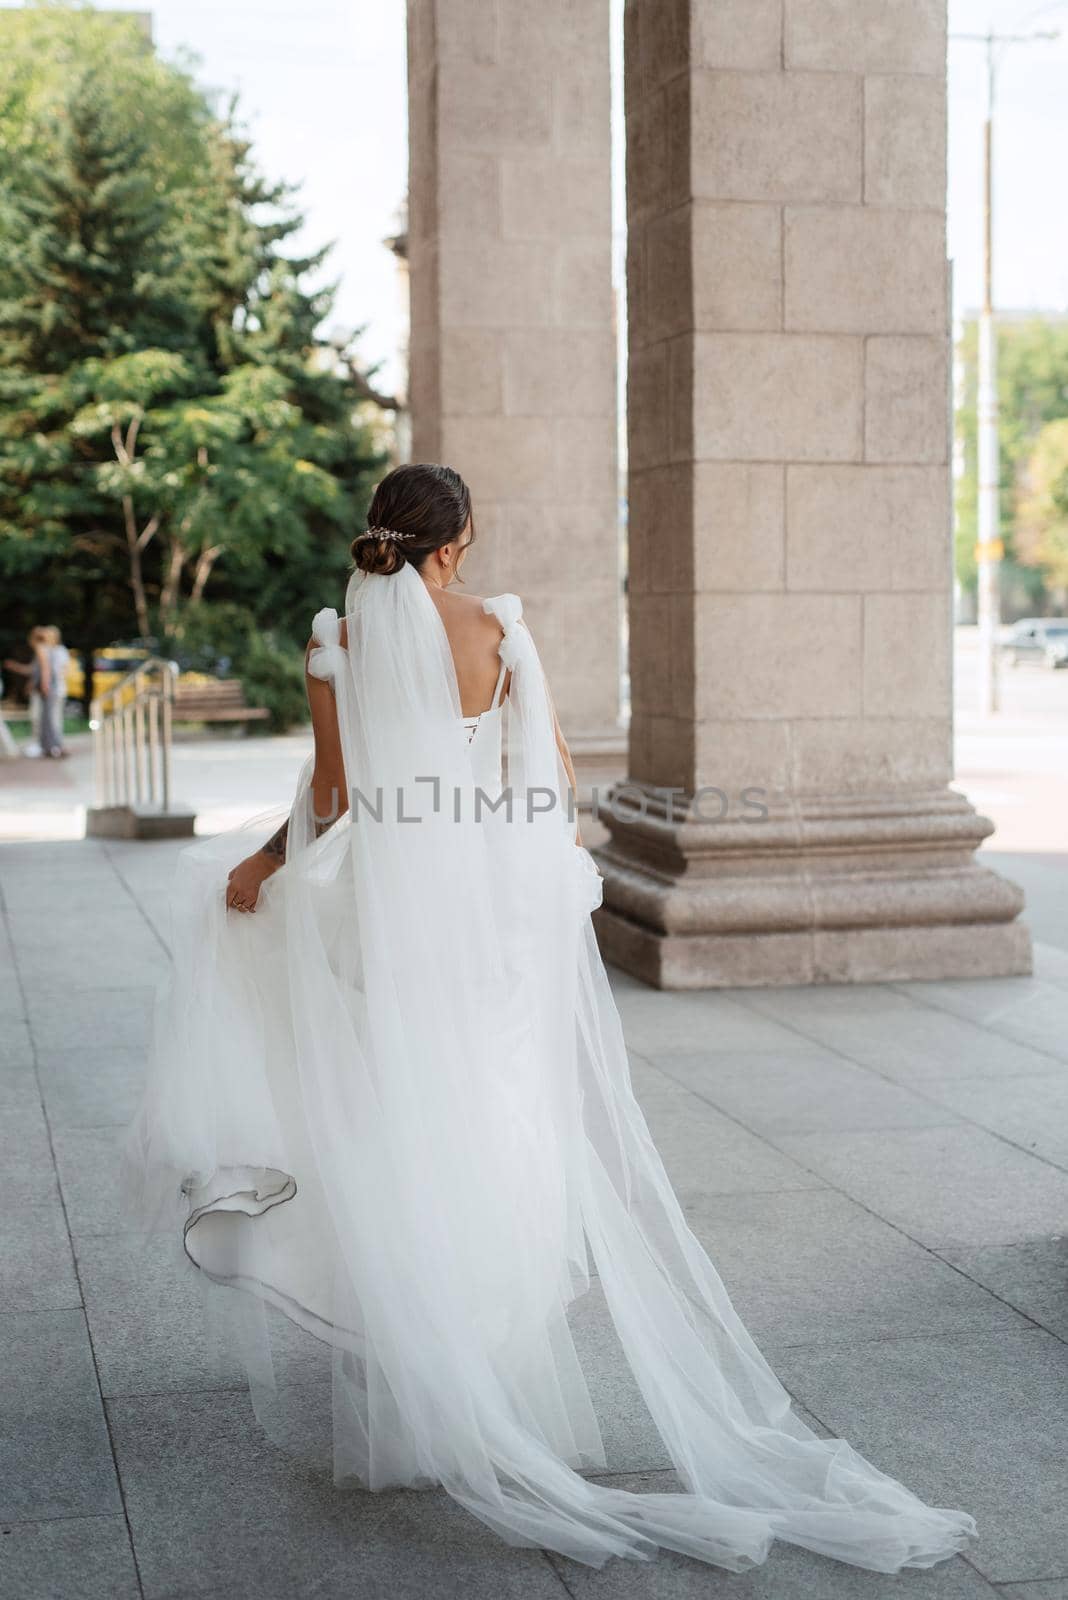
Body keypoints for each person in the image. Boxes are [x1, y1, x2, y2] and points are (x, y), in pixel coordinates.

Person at [126, 464, 975, 1577]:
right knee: (491, 1108)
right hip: (484, 916)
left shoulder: (337, 635)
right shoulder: (501, 629)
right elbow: (550, 779)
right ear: (459, 535)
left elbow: (331, 797)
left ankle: (408, 1358)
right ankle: (490, 1346)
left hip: (384, 910)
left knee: (387, 1107)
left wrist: (260, 862)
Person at [3, 626, 62, 758]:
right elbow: (36, 670)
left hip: (46, 688)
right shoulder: (49, 649)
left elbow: (45, 669)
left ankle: (51, 747)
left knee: (45, 719)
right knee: (47, 718)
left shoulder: (41, 648)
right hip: (49, 687)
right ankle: (51, 747)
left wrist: (45, 685)